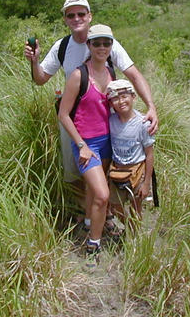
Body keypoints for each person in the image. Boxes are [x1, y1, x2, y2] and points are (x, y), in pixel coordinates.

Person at [24, 0, 158, 184]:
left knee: (110, 168)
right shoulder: (61, 47)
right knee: (73, 170)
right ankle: (80, 212)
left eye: (81, 14)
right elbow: (40, 79)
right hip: (73, 120)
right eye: (71, 15)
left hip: (107, 119)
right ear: (65, 20)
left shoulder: (106, 43)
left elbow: (135, 75)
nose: (76, 19)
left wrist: (151, 106)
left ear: (89, 16)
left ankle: (107, 209)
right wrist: (35, 61)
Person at [57, 24, 117, 260]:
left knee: (95, 193)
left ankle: (92, 225)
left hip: (107, 141)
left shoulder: (111, 72)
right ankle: (93, 244)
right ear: (89, 46)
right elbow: (63, 114)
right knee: (103, 195)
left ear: (111, 46)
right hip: (87, 144)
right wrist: (81, 145)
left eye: (106, 43)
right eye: (97, 43)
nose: (102, 47)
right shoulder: (78, 75)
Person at [105, 79, 155, 232]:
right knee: (115, 206)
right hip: (117, 171)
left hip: (137, 172)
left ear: (133, 97)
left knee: (136, 206)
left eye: (124, 96)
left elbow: (149, 154)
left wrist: (147, 183)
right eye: (115, 98)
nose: (121, 101)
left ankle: (134, 238)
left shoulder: (143, 124)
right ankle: (129, 226)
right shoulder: (111, 121)